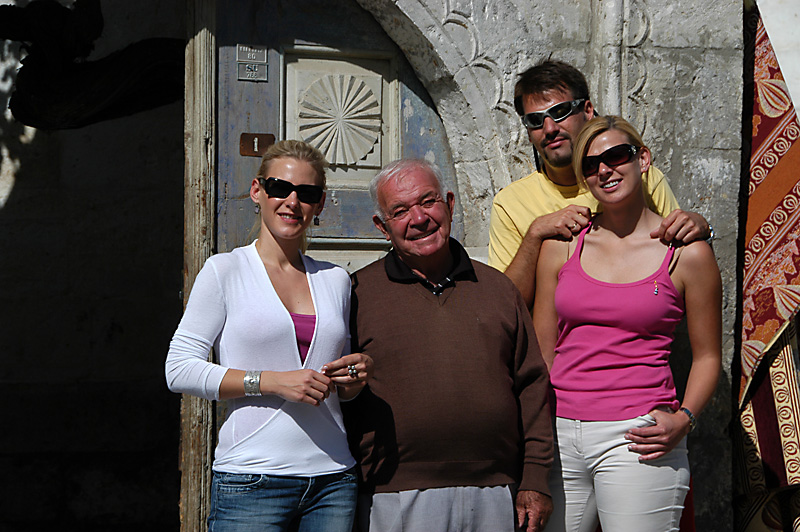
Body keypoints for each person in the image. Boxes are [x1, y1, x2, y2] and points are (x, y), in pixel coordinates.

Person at [165, 140, 373, 532]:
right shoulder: (224, 271)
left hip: (333, 479)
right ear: (257, 191)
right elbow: (178, 370)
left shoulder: (336, 279)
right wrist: (271, 382)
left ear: (319, 204)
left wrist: (354, 379)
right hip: (252, 479)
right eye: (280, 188)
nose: (292, 202)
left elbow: (337, 388)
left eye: (307, 193)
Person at [533, 116, 722, 532]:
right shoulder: (561, 246)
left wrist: (685, 418)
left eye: (617, 156)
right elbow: (543, 352)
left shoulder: (686, 253)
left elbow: (709, 357)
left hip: (639, 437)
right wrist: (532, 437)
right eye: (590, 164)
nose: (604, 169)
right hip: (559, 435)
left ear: (643, 160)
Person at [343, 159, 553, 532]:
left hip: (496, 489)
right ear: (382, 226)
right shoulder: (355, 295)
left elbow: (532, 386)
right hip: (393, 493)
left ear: (450, 204)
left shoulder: (498, 289)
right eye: (400, 211)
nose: (419, 218)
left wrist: (535, 477)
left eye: (428, 201)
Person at [489, 60, 711, 308]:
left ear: (587, 110)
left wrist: (702, 230)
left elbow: (682, 268)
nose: (549, 128)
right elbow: (504, 307)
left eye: (560, 112)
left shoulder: (640, 179)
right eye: (535, 120)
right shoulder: (510, 203)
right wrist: (535, 235)